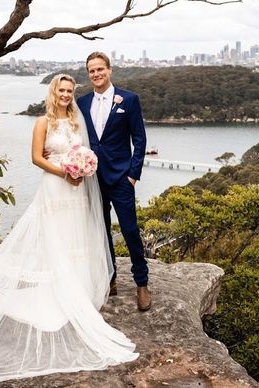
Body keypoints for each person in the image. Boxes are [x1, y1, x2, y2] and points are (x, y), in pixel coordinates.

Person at [0, 74, 138, 384]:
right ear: (54, 92)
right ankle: (60, 292)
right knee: (57, 237)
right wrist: (65, 172)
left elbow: (85, 150)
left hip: (77, 189)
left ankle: (79, 289)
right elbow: (35, 158)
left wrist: (83, 167)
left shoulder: (76, 121)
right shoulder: (43, 122)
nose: (67, 95)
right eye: (62, 90)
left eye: (70, 90)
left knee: (76, 237)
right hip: (56, 185)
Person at [77, 52, 151, 311]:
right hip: (92, 178)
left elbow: (139, 139)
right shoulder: (82, 103)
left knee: (130, 230)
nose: (96, 74)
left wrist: (132, 174)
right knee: (101, 230)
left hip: (121, 178)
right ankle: (111, 278)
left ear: (109, 70)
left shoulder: (128, 100)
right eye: (91, 71)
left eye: (100, 69)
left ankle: (142, 284)